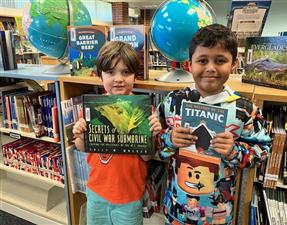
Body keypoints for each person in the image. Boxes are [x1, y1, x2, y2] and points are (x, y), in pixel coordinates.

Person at [157, 24, 271, 225]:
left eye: (220, 60)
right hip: (177, 208)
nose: (211, 68)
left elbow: (263, 149)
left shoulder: (244, 109)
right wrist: (169, 139)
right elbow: (154, 143)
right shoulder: (173, 101)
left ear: (234, 64)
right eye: (202, 60)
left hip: (217, 212)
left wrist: (234, 151)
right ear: (189, 65)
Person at [72, 41, 162, 225]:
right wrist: (80, 135)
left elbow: (146, 157)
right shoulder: (92, 108)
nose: (119, 79)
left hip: (129, 194)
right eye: (111, 72)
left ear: (135, 76)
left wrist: (151, 135)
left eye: (126, 72)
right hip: (97, 191)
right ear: (100, 76)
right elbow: (82, 148)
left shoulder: (143, 110)